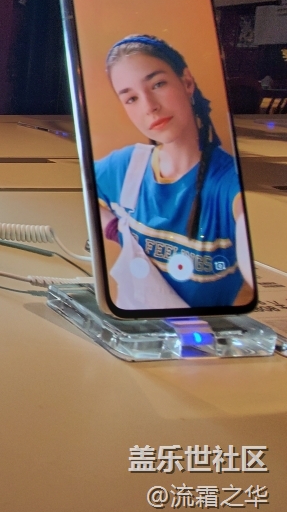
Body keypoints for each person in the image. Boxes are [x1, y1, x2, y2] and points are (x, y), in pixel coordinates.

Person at [95, 35, 254, 310]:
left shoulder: (228, 183)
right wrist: (115, 229)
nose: (149, 106)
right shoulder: (126, 165)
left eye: (158, 84)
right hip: (132, 330)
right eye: (131, 98)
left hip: (205, 335)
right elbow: (81, 188)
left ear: (187, 82)